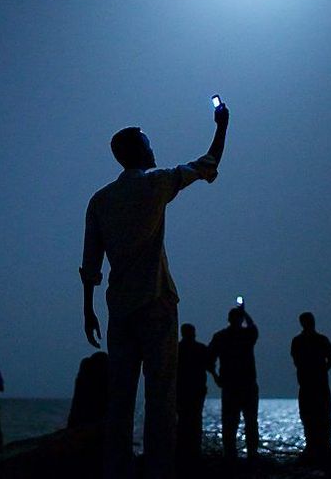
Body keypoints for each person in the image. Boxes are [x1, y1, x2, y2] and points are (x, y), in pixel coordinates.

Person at [80, 103, 230, 479]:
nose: (153, 148)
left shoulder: (100, 201)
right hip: (157, 302)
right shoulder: (157, 182)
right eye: (148, 144)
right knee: (161, 396)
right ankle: (159, 470)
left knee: (120, 399)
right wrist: (222, 126)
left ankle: (117, 469)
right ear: (139, 152)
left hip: (119, 308)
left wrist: (88, 311)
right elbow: (208, 162)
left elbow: (91, 267)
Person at [209, 303, 260, 461]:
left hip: (231, 385)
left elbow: (209, 359)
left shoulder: (221, 337)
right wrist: (244, 313)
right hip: (246, 384)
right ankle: (251, 454)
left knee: (230, 422)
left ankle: (230, 454)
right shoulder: (246, 335)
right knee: (250, 421)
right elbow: (253, 327)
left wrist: (216, 377)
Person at [290, 312, 331, 459]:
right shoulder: (302, 341)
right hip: (311, 385)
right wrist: (320, 371)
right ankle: (313, 446)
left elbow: (330, 359)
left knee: (319, 416)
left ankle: (322, 447)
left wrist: (319, 372)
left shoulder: (311, 340)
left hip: (315, 385)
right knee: (310, 417)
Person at [176, 323, 213, 467]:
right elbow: (209, 365)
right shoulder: (200, 349)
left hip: (183, 390)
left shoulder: (177, 349)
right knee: (195, 420)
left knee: (183, 420)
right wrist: (216, 376)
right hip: (195, 390)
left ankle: (183, 450)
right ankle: (193, 451)